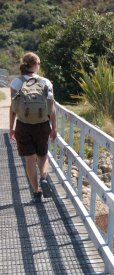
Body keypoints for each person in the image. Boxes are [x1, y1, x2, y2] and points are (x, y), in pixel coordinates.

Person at [9, 52, 57, 203]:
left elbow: (13, 108)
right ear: (34, 65)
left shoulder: (16, 83)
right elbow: (52, 107)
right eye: (39, 63)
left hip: (23, 125)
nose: (39, 66)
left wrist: (12, 128)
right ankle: (44, 176)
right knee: (42, 156)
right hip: (42, 125)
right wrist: (54, 127)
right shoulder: (46, 82)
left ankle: (36, 192)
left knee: (30, 159)